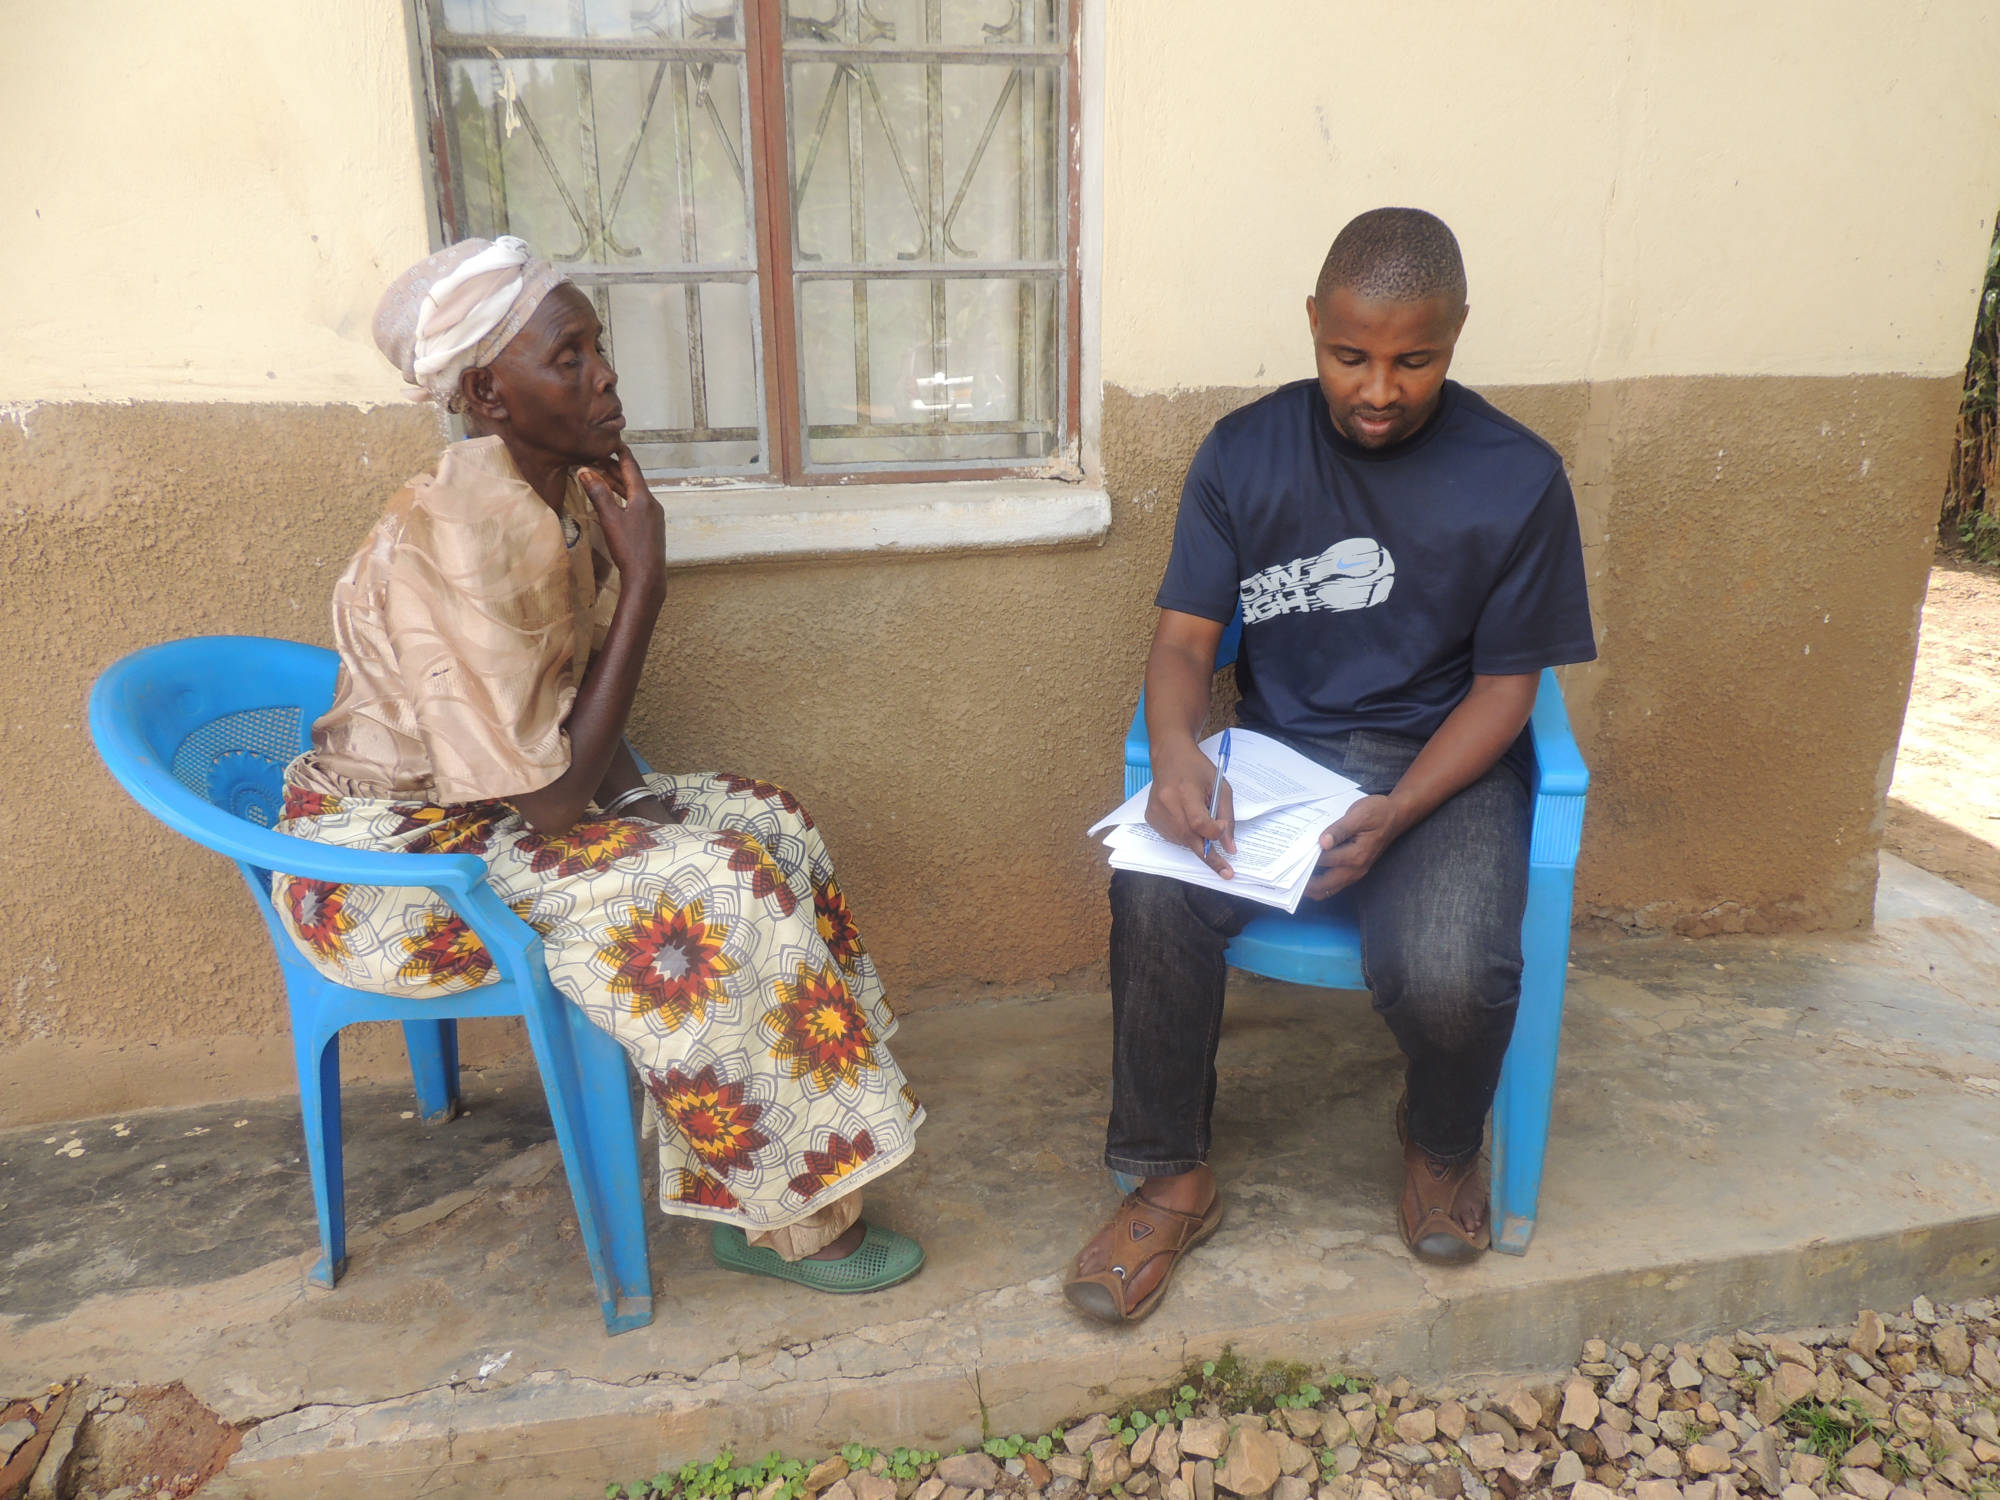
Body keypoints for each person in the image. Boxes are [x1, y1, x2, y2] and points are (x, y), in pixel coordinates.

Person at [273, 237, 924, 1293]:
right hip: (389, 874)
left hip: (487, 816)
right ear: (489, 393)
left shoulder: (549, 496)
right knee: (710, 886)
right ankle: (800, 1222)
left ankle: (754, 1182)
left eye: (597, 348)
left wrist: (641, 800)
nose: (606, 377)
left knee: (767, 821)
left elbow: (562, 704)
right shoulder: (456, 539)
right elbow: (551, 798)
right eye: (568, 357)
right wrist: (646, 586)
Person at [1062, 208, 1596, 1323]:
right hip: (1280, 756)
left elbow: (1506, 693)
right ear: (1312, 322)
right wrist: (1176, 756)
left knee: (1450, 966)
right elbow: (1184, 644)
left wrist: (1398, 808)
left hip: (1439, 768)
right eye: (1349, 355)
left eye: (1416, 360)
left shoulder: (1518, 478)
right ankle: (1171, 1178)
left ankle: (1439, 1140)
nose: (1379, 389)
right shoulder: (1244, 453)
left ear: (1457, 333)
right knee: (1151, 890)